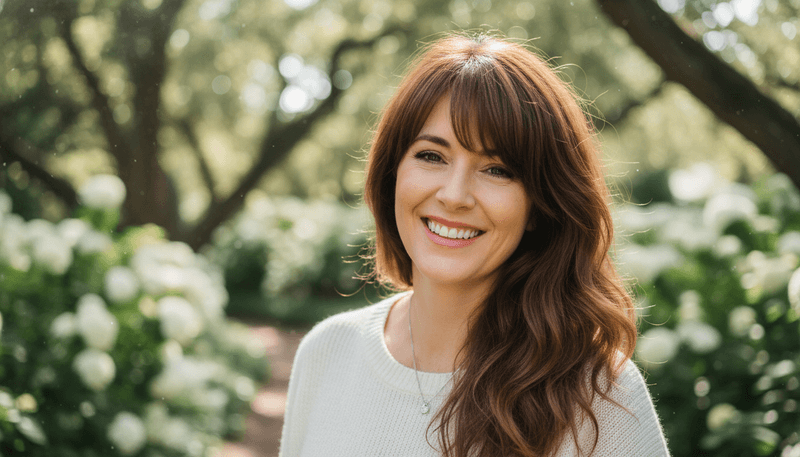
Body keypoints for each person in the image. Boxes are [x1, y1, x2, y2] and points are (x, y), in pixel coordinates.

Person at [278, 34, 670, 456]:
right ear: (392, 174)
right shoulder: (327, 352)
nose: (454, 195)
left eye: (497, 169)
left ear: (540, 205)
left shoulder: (600, 398)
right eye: (432, 156)